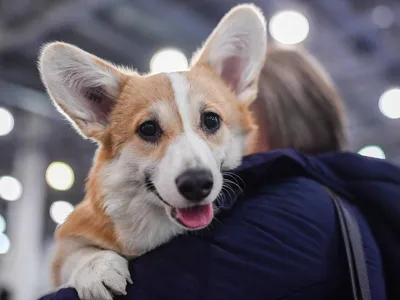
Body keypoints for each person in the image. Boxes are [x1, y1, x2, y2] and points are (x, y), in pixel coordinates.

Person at [40, 45, 400, 300]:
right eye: (151, 129)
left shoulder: (293, 211)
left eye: (212, 121)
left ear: (260, 122)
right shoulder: (339, 200)